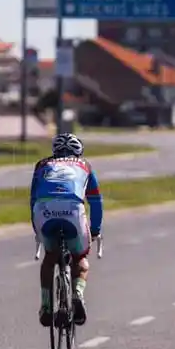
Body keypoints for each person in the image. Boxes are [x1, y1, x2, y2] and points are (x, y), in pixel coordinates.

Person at [29, 132, 103, 328]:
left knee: (50, 257)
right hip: (72, 211)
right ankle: (78, 293)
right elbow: (96, 201)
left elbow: (33, 199)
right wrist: (95, 229)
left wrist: (36, 228)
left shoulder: (41, 165)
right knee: (80, 258)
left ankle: (46, 306)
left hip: (44, 211)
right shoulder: (85, 166)